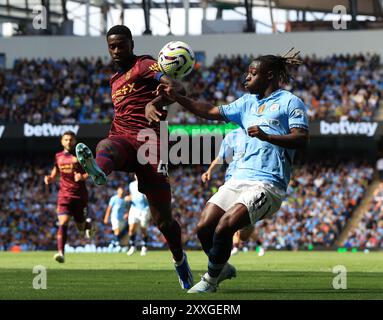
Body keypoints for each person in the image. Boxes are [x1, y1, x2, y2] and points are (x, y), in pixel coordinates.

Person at [148, 50, 309, 293]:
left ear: (270, 76)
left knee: (225, 226)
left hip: (267, 183)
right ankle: (221, 267)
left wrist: (268, 136)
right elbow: (211, 111)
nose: (247, 78)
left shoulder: (290, 102)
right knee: (204, 228)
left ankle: (210, 281)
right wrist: (177, 97)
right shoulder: (246, 103)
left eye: (253, 74)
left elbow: (302, 139)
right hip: (237, 180)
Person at [74, 25, 193, 289]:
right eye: (112, 46)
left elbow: (178, 88)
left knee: (164, 221)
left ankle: (179, 260)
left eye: (121, 45)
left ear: (131, 44)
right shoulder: (113, 81)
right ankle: (99, 171)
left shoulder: (145, 64)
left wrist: (157, 102)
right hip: (123, 139)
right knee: (106, 145)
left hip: (151, 145)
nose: (117, 50)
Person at [201, 128, 255, 256]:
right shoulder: (232, 135)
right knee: (212, 220)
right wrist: (209, 171)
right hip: (231, 182)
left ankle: (242, 232)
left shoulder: (260, 131)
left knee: (243, 231)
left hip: (251, 182)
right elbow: (220, 158)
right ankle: (221, 255)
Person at [44, 131, 94, 263]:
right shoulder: (58, 156)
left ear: (75, 141)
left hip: (79, 195)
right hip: (64, 196)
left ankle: (88, 224)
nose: (68, 142)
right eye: (66, 139)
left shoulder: (81, 156)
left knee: (81, 228)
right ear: (62, 141)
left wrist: (82, 177)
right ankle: (61, 253)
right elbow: (55, 173)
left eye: (71, 139)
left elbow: (92, 171)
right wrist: (50, 178)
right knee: (63, 222)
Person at [126, 176, 151, 256]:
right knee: (131, 228)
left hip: (144, 209)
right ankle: (133, 246)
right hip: (134, 208)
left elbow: (148, 196)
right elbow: (132, 195)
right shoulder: (131, 185)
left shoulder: (146, 183)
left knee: (143, 229)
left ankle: (144, 246)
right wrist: (128, 198)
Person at [103, 186, 129, 251]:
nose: (121, 192)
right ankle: (118, 246)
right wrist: (106, 217)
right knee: (116, 230)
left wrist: (127, 214)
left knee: (118, 233)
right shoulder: (114, 198)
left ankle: (112, 243)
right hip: (114, 217)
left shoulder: (124, 200)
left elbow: (127, 208)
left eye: (122, 191)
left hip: (122, 218)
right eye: (120, 191)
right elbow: (109, 208)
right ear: (117, 191)